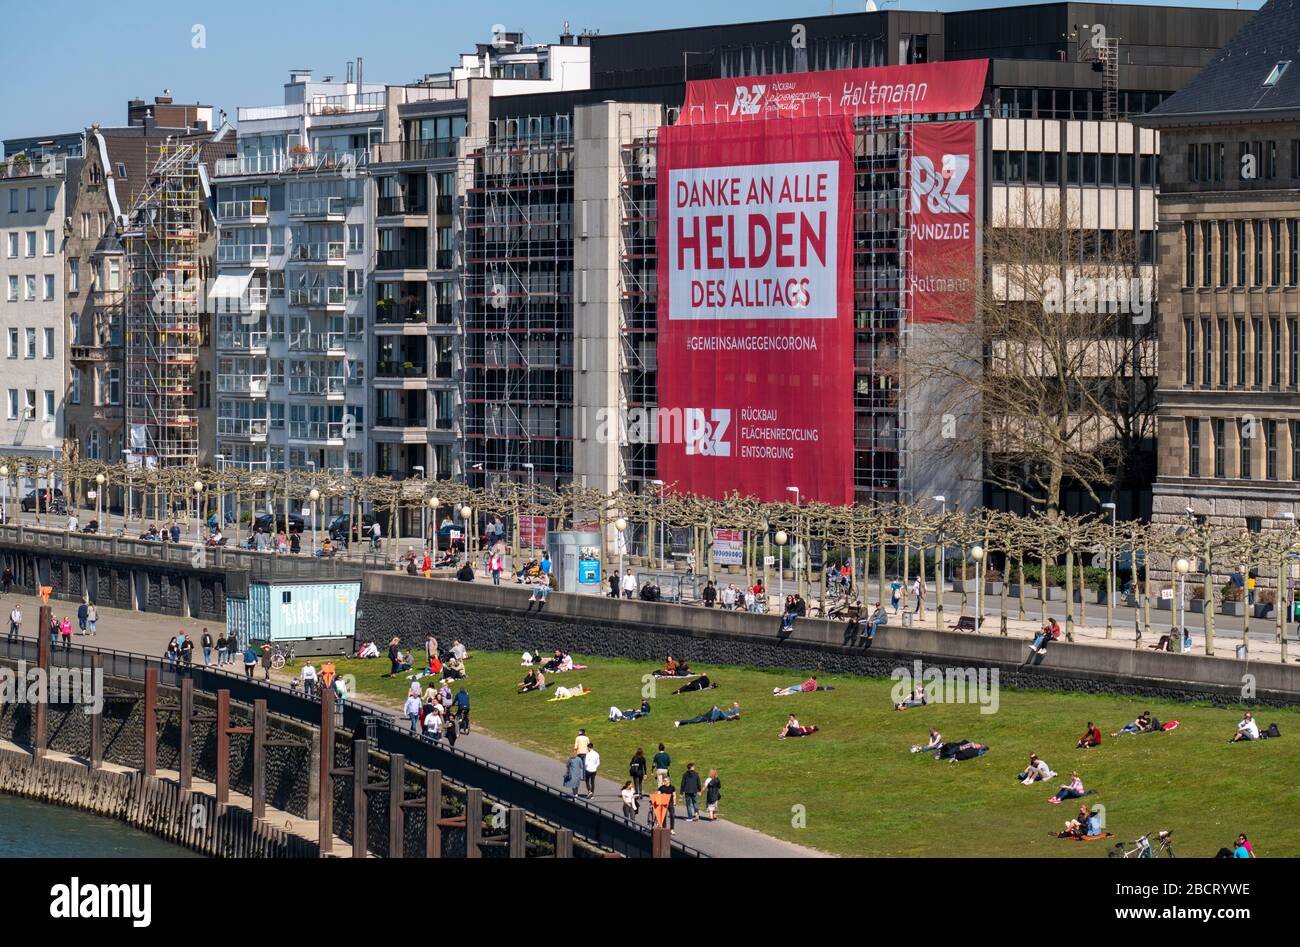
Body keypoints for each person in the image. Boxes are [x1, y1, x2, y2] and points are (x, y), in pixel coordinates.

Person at [675, 702, 741, 727]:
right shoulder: (733, 709)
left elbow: (737, 715)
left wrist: (731, 716)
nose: (734, 705)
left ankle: (712, 721)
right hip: (703, 717)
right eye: (734, 704)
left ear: (738, 705)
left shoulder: (737, 708)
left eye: (735, 704)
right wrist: (730, 711)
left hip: (725, 717)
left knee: (719, 710)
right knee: (692, 721)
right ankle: (679, 723)